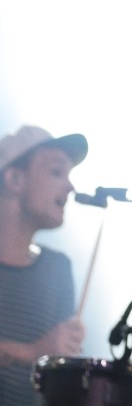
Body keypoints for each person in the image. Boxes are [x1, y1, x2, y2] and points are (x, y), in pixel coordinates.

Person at [0, 125, 88, 406]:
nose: (71, 186)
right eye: (56, 172)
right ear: (15, 179)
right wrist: (33, 351)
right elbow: (40, 351)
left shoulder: (58, 269)